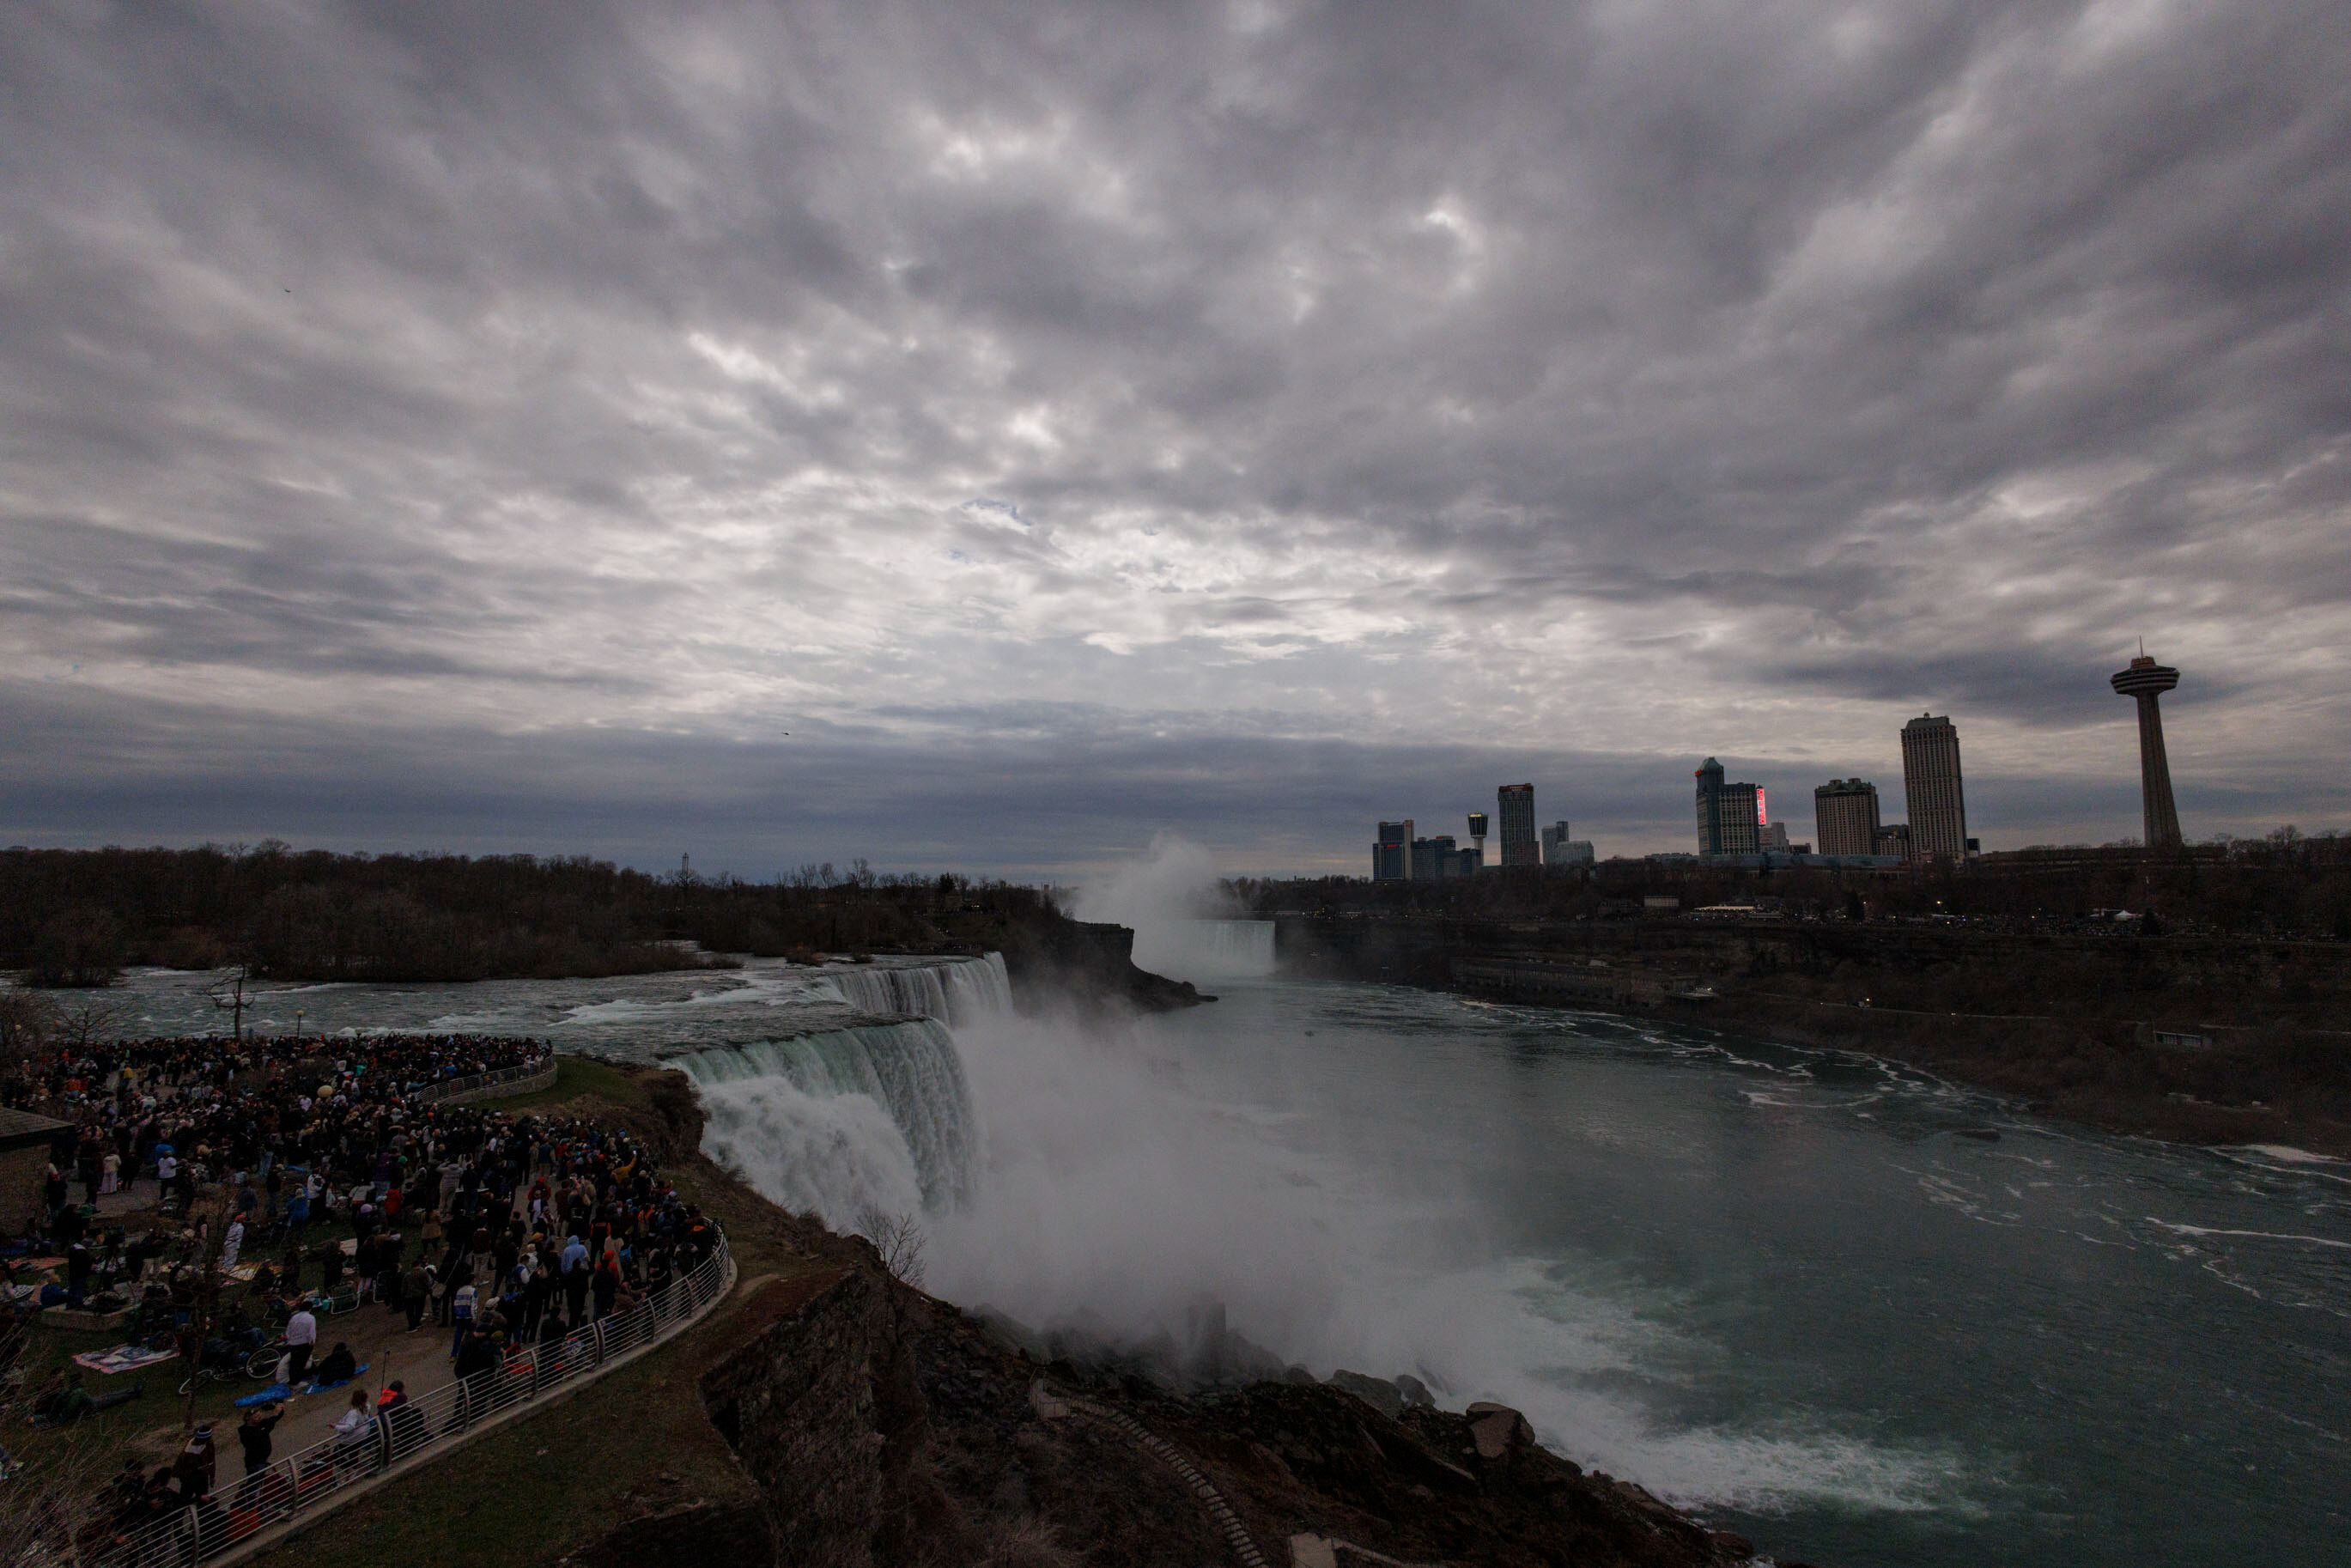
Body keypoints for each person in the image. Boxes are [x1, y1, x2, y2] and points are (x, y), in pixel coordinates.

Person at [235, 1401, 283, 1497]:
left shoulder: (260, 1424)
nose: (259, 1418)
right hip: (255, 1464)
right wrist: (274, 1415)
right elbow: (264, 1432)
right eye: (256, 1417)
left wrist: (279, 1408)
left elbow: (274, 1419)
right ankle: (250, 1505)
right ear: (248, 1418)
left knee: (260, 1484)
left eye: (259, 1416)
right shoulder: (246, 1432)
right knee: (254, 1488)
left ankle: (257, 1503)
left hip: (262, 1461)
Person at [282, 1302, 318, 1383]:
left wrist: (290, 1340)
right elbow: (312, 1331)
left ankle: (314, 1371)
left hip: (293, 1344)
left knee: (296, 1361)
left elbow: (288, 1331)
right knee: (300, 1363)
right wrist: (312, 1341)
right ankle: (294, 1381)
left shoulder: (294, 1318)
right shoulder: (310, 1318)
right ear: (310, 1308)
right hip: (304, 1343)